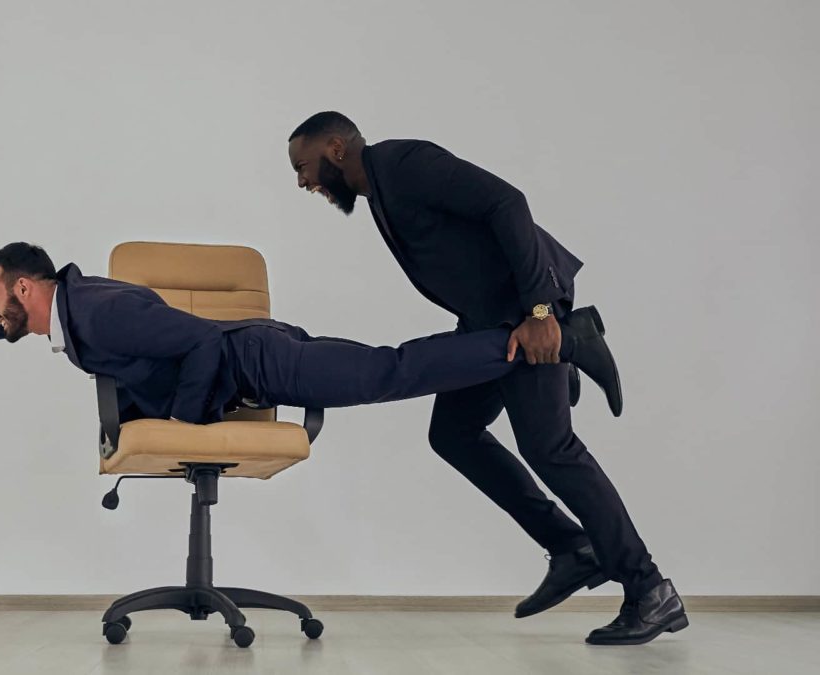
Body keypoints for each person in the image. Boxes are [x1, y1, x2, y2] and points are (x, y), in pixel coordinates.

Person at [286, 111, 686, 645]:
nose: (303, 181)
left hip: (523, 315)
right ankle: (571, 547)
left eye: (303, 166)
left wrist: (540, 312)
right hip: (487, 322)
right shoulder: (379, 187)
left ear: (336, 148)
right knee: (453, 434)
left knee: (551, 449)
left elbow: (507, 202)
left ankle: (649, 589)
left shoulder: (404, 162)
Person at [0, 241, 616, 431]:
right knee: (391, 370)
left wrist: (187, 422)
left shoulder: (98, 311)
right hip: (255, 355)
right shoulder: (69, 311)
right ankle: (533, 360)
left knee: (389, 373)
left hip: (257, 357)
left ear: (24, 287)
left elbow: (204, 345)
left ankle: (550, 340)